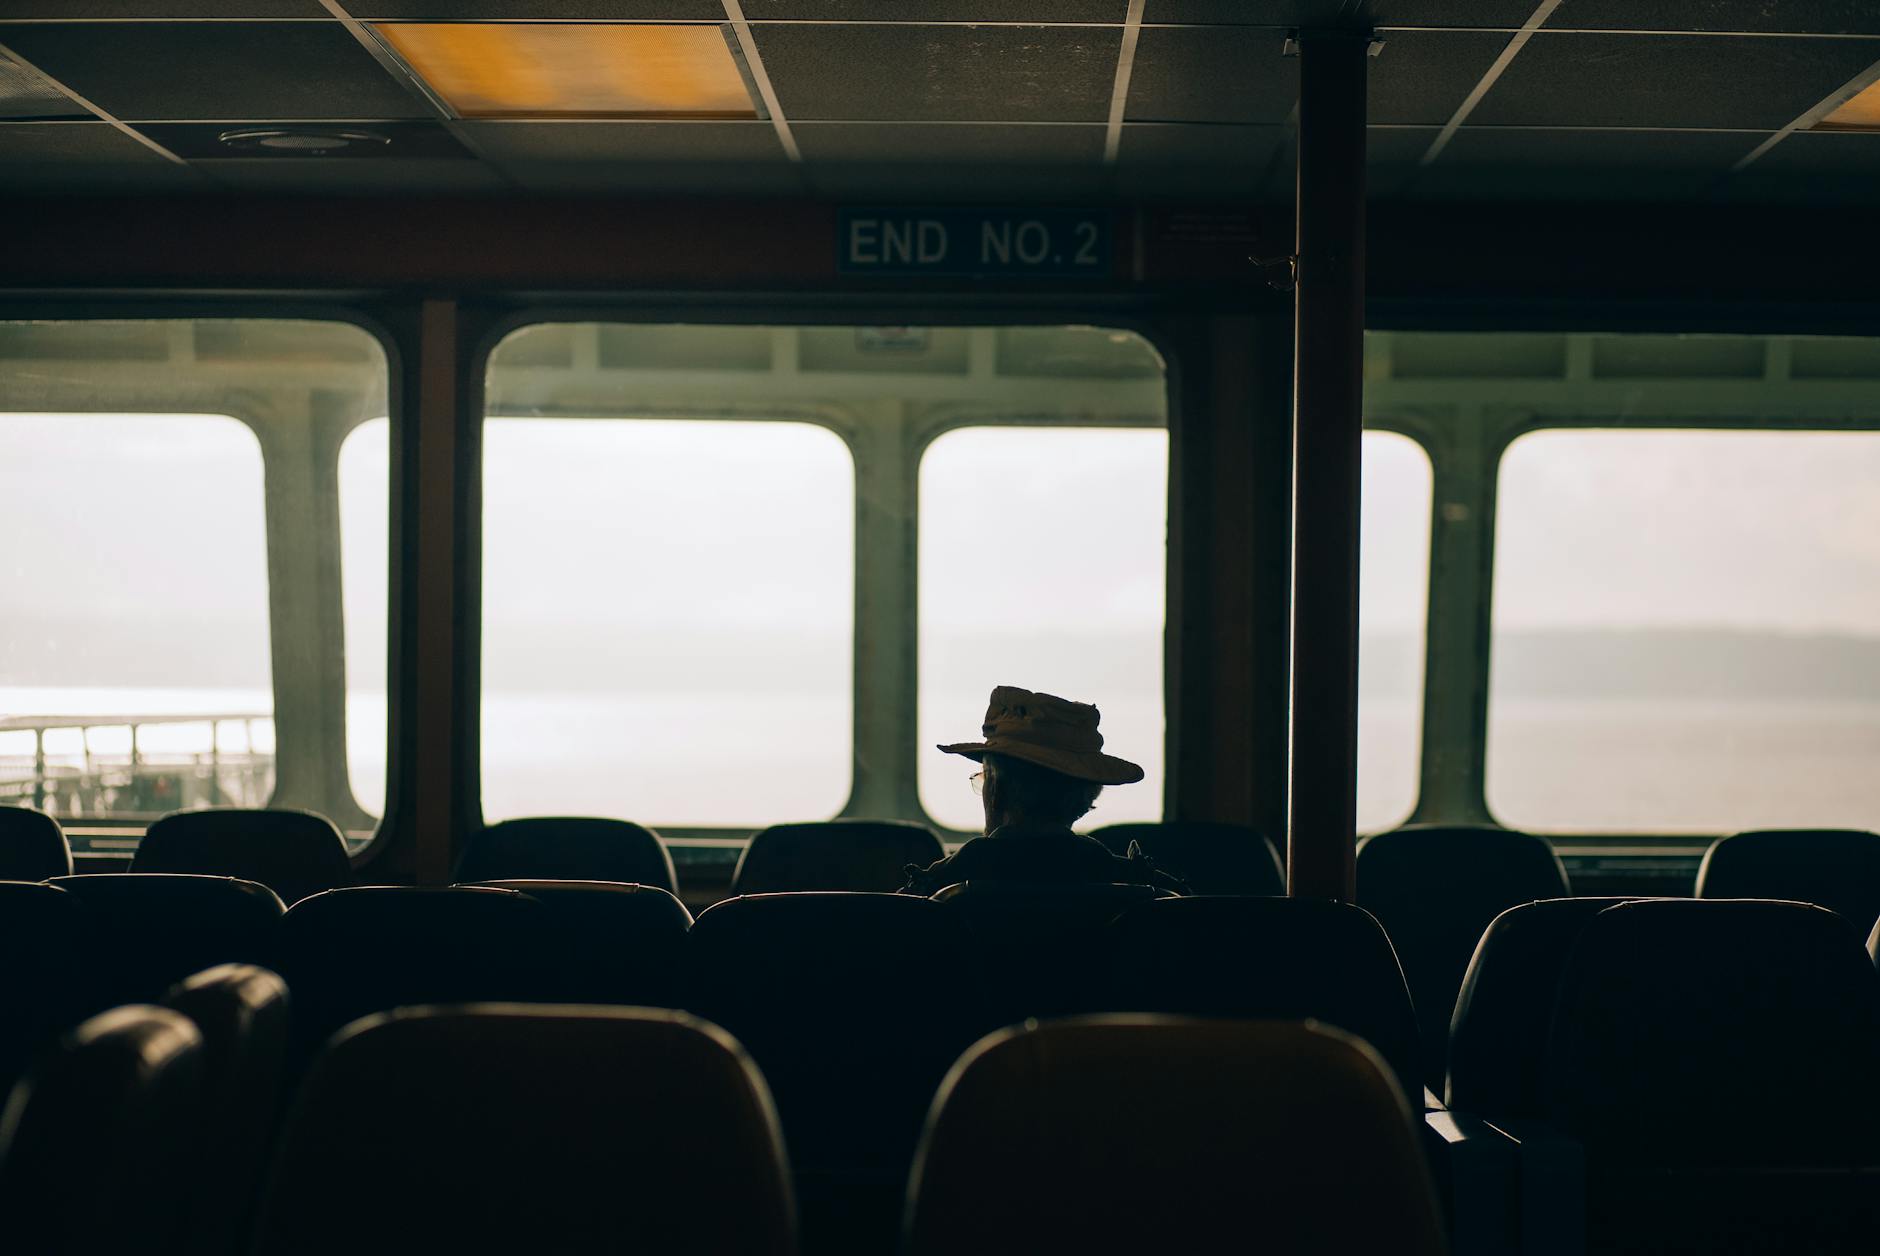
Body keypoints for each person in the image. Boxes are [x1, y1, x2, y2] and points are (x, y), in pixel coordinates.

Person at [900, 685, 1186, 895]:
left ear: (997, 788)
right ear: (1088, 797)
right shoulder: (1133, 882)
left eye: (984, 778)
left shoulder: (950, 877)